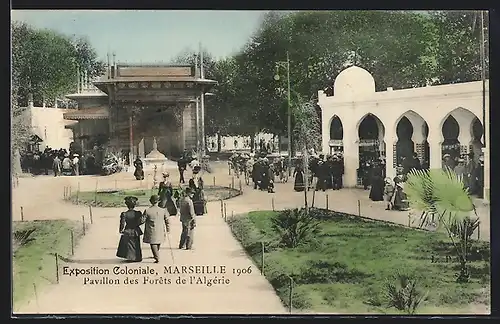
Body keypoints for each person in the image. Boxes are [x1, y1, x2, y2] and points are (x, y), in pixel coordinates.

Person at [142, 195, 170, 263]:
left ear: (151, 201)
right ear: (158, 201)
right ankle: (156, 253)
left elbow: (142, 220)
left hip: (151, 230)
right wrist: (168, 229)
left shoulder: (147, 210)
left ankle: (157, 257)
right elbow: (167, 221)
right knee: (158, 241)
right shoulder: (163, 210)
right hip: (160, 229)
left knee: (153, 243)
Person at [116, 196, 144, 262]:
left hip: (128, 230)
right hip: (136, 230)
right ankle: (137, 257)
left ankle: (130, 257)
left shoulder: (124, 214)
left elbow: (122, 223)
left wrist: (121, 230)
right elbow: (140, 221)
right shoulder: (138, 213)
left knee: (129, 245)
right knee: (136, 244)